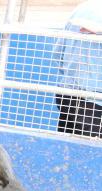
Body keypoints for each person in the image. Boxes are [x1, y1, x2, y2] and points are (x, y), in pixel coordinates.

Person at [54, 0, 101, 138]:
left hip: (66, 92)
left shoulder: (81, 8)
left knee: (65, 144)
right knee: (90, 148)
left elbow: (58, 53)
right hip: (93, 100)